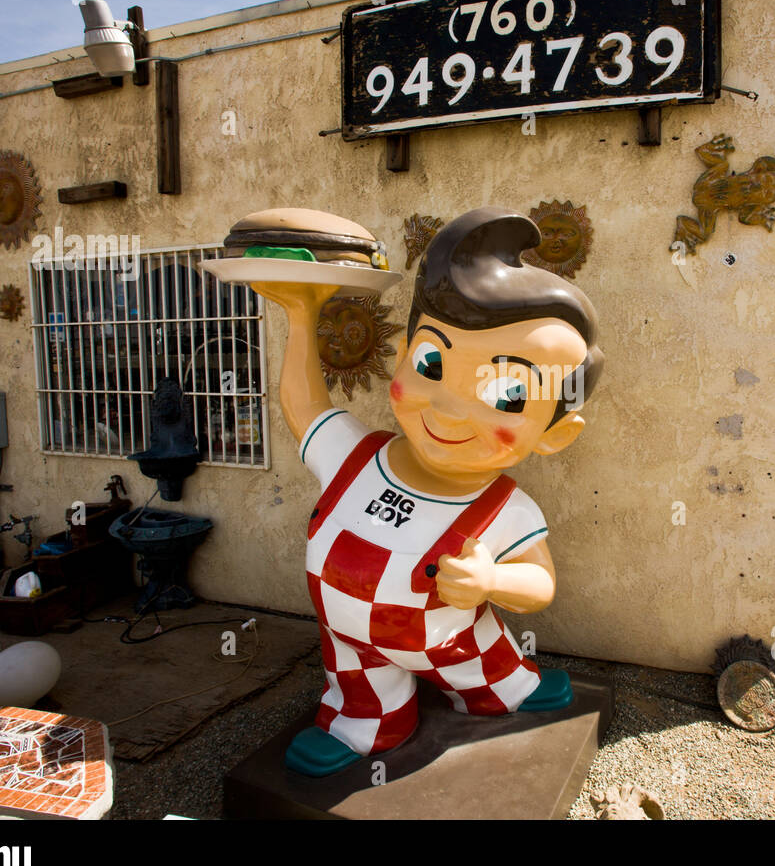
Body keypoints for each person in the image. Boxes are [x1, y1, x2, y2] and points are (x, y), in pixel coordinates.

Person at [251, 206, 604, 776]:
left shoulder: (503, 508)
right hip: (352, 644)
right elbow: (305, 406)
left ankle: (511, 685)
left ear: (555, 433)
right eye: (431, 361)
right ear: (403, 354)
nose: (446, 406)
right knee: (362, 697)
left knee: (491, 677)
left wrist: (492, 581)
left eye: (508, 393)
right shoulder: (356, 456)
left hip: (455, 641)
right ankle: (364, 721)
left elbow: (539, 584)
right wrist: (299, 311)